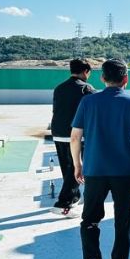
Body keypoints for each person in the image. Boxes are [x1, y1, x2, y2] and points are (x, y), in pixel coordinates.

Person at [71, 59, 130, 259]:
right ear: (126, 79)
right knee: (123, 220)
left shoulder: (88, 101)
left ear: (102, 78)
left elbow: (75, 137)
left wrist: (77, 165)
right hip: (124, 172)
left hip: (95, 170)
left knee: (90, 219)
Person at [50, 59, 95, 216]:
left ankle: (74, 196)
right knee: (77, 168)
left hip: (58, 133)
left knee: (67, 168)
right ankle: (64, 204)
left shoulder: (59, 88)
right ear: (86, 72)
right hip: (76, 134)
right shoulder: (86, 89)